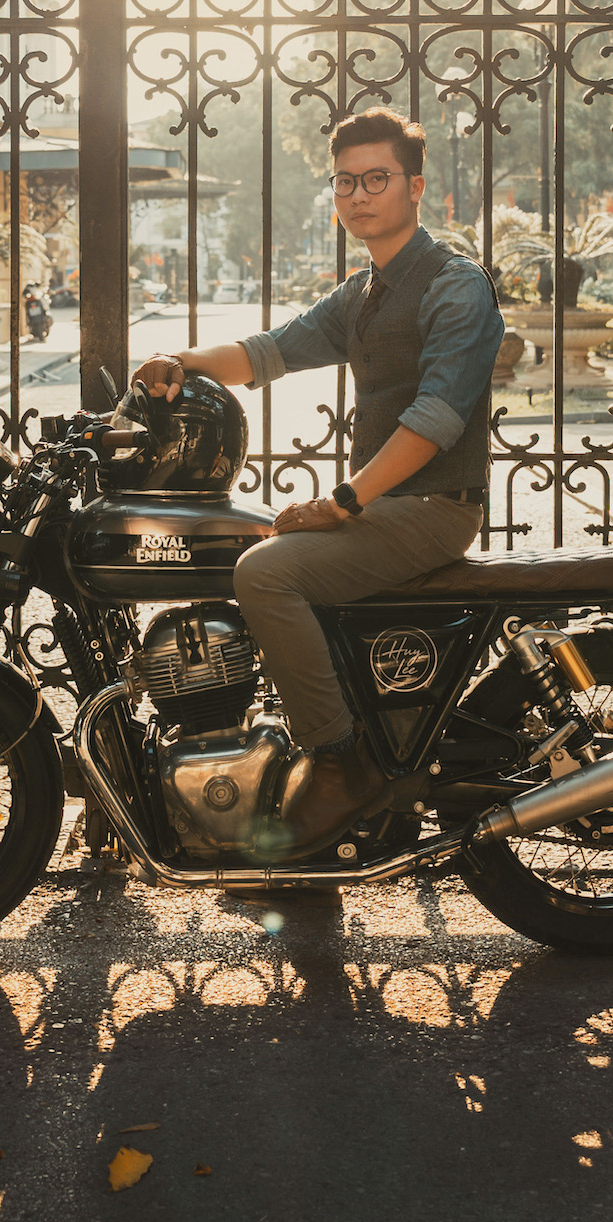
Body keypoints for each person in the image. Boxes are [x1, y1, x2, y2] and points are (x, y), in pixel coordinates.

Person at [130, 107, 505, 856]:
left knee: (265, 575)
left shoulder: (455, 285)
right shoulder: (363, 292)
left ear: (415, 186)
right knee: (252, 543)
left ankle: (339, 765)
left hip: (432, 509)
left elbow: (436, 419)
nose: (360, 195)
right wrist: (180, 360)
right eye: (345, 182)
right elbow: (268, 352)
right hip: (390, 507)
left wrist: (344, 501)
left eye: (376, 179)